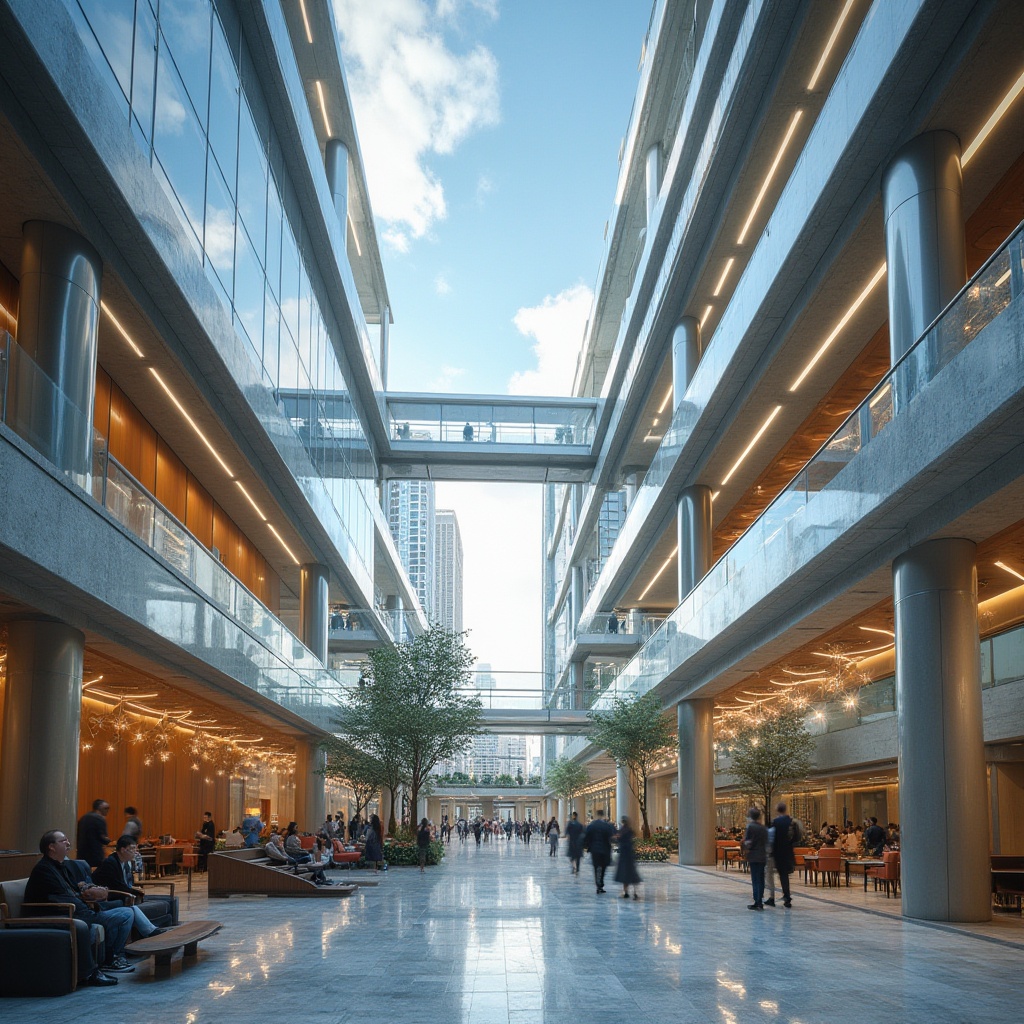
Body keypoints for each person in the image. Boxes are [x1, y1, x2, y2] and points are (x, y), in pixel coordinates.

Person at [26, 829, 135, 983]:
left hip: (71, 911)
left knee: (126, 912)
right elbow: (63, 898)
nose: (68, 843)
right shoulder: (44, 869)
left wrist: (90, 893)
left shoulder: (60, 866)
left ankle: (109, 959)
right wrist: (91, 911)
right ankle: (102, 965)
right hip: (54, 914)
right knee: (125, 915)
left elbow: (75, 889)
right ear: (51, 847)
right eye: (63, 841)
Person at [93, 835, 169, 936]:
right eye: (132, 849)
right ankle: (150, 931)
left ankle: (151, 930)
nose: (135, 852)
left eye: (135, 848)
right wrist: (133, 891)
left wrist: (133, 889)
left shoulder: (125, 863)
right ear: (123, 850)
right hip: (104, 897)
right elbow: (116, 885)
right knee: (131, 906)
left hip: (117, 894)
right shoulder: (110, 863)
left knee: (135, 900)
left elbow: (126, 883)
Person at [582, 808, 616, 894]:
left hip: (595, 849)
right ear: (603, 815)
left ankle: (597, 884)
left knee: (596, 867)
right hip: (605, 849)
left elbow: (586, 837)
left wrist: (586, 846)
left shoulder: (591, 825)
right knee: (603, 867)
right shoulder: (607, 825)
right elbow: (611, 837)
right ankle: (601, 882)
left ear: (597, 815)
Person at [770, 802, 796, 909]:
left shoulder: (775, 822)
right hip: (788, 852)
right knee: (785, 875)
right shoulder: (791, 821)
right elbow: (796, 836)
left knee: (783, 875)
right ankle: (787, 896)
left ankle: (787, 896)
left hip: (778, 852)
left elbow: (773, 838)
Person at [743, 807, 768, 910]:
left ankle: (757, 900)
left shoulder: (750, 827)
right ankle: (760, 900)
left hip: (754, 856)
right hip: (762, 856)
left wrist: (745, 847)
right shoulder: (763, 828)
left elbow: (748, 842)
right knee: (761, 878)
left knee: (755, 879)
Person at [76, 798, 111, 868]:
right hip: (95, 855)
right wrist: (110, 841)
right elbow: (103, 839)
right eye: (106, 808)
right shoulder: (99, 819)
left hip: (81, 853)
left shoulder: (83, 818)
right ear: (99, 808)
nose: (108, 810)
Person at [613, 815, 642, 900]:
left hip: (623, 854)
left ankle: (626, 892)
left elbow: (618, 840)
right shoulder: (630, 830)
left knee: (624, 874)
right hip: (629, 853)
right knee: (632, 873)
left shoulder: (621, 831)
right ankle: (635, 892)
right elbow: (633, 837)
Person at [565, 811, 585, 875]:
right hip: (578, 842)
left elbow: (567, 834)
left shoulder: (570, 824)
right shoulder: (580, 825)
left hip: (572, 842)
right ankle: (577, 868)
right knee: (578, 856)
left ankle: (574, 867)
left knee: (572, 856)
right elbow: (583, 833)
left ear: (573, 816)